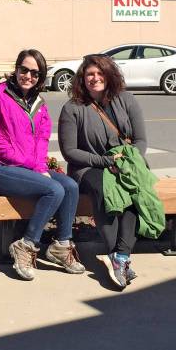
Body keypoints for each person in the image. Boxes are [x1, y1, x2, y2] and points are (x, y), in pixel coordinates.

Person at [0, 49, 85, 281]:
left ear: (41, 77)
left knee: (70, 186)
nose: (28, 76)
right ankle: (26, 245)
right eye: (24, 70)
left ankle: (61, 245)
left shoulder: (39, 104)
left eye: (35, 73)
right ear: (16, 69)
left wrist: (37, 166)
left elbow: (41, 141)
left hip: (27, 169)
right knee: (53, 189)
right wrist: (30, 164)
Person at [58, 54, 156, 288]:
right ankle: (115, 255)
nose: (95, 78)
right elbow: (69, 151)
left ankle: (121, 255)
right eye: (90, 74)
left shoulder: (126, 99)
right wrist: (104, 161)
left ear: (110, 75)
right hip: (88, 167)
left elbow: (141, 140)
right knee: (105, 191)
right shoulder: (73, 108)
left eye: (100, 73)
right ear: (82, 78)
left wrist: (129, 161)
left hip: (126, 163)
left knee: (134, 191)